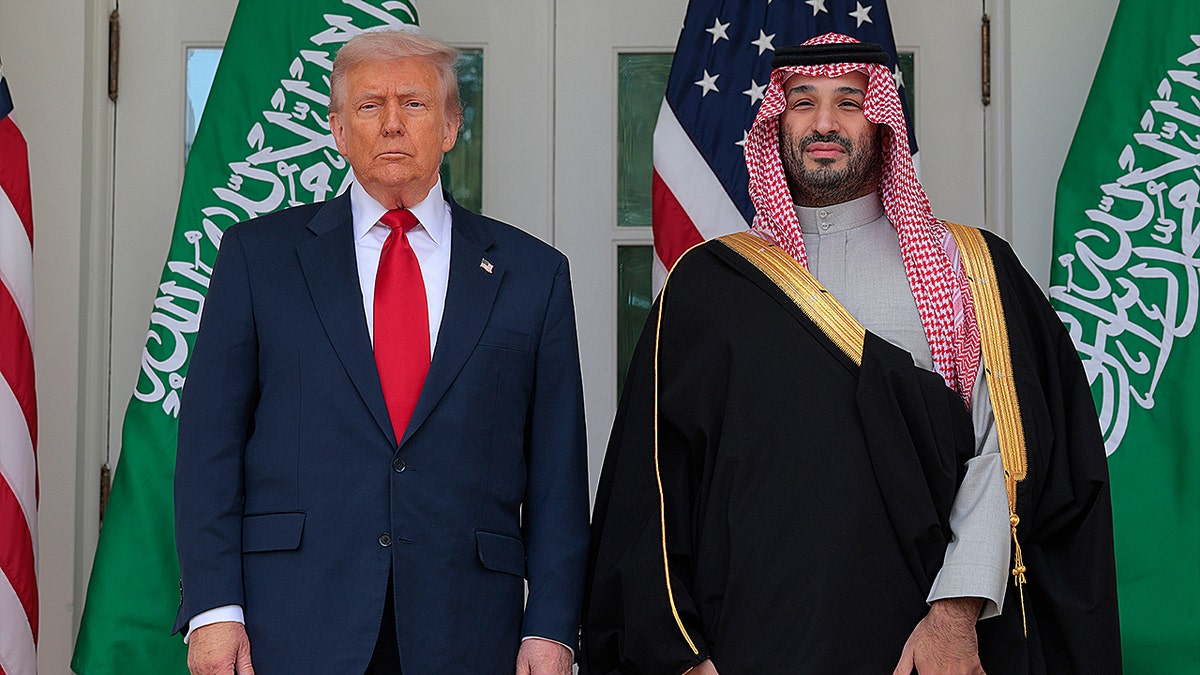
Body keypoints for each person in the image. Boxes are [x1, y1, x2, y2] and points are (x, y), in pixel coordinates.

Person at [582, 33, 1120, 674]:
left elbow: (1004, 450)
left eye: (849, 100)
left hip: (919, 644)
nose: (825, 123)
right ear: (775, 121)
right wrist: (683, 657)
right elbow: (656, 485)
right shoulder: (710, 286)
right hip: (748, 642)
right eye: (803, 103)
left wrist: (956, 614)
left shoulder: (966, 266)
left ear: (884, 117)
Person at [173, 29, 589, 675]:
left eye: (415, 104)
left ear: (451, 126)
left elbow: (558, 470)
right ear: (338, 129)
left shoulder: (533, 273)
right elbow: (209, 447)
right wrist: (214, 610)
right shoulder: (259, 257)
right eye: (369, 106)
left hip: (469, 623)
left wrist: (554, 627)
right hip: (292, 619)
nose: (392, 123)